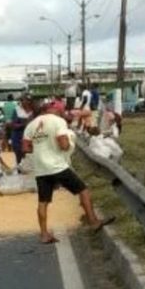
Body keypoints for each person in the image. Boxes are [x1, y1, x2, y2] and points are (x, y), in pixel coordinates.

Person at [23, 100, 114, 244]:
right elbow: (64, 145)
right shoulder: (58, 122)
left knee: (43, 202)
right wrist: (65, 146)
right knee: (83, 190)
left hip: (41, 169)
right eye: (62, 111)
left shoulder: (31, 125)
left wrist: (42, 149)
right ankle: (93, 221)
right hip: (58, 166)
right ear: (58, 111)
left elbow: (26, 148)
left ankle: (44, 234)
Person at [10, 95, 35, 164]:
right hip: (18, 137)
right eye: (24, 100)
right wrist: (24, 124)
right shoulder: (17, 110)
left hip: (30, 137)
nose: (26, 102)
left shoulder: (34, 111)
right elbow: (13, 125)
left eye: (28, 100)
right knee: (19, 157)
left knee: (30, 157)